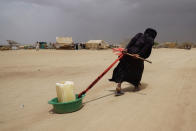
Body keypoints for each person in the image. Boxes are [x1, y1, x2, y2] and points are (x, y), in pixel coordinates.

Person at [109, 28, 157, 96]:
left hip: (129, 53)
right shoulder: (151, 40)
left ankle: (119, 86)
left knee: (123, 69)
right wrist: (139, 55)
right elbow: (146, 49)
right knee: (137, 71)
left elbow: (131, 42)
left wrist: (126, 49)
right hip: (136, 58)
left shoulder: (139, 35)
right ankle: (136, 86)